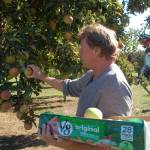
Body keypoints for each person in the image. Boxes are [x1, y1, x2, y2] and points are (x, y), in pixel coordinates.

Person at [28, 23, 133, 118]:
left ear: (96, 50)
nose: (79, 53)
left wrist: (66, 140)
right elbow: (67, 87)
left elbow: (117, 133)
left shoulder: (114, 83)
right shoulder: (92, 75)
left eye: (82, 48)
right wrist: (40, 75)